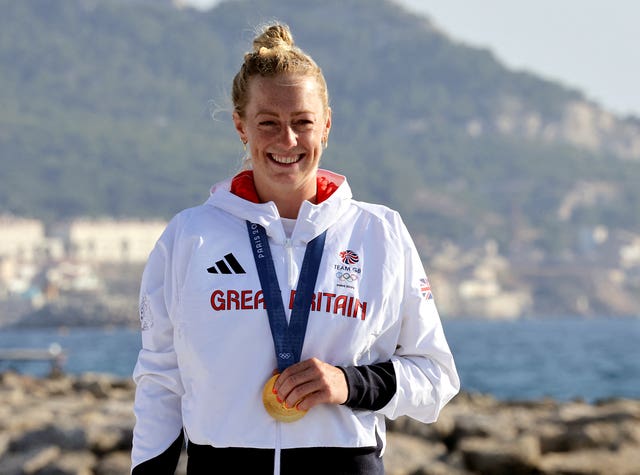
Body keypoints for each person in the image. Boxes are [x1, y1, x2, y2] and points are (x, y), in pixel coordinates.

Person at [131, 22, 459, 475]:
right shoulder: (190, 236)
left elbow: (436, 377)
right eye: (268, 123)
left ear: (326, 124)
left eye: (302, 122)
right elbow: (161, 383)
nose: (287, 141)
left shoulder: (379, 232)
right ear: (240, 125)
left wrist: (349, 383)